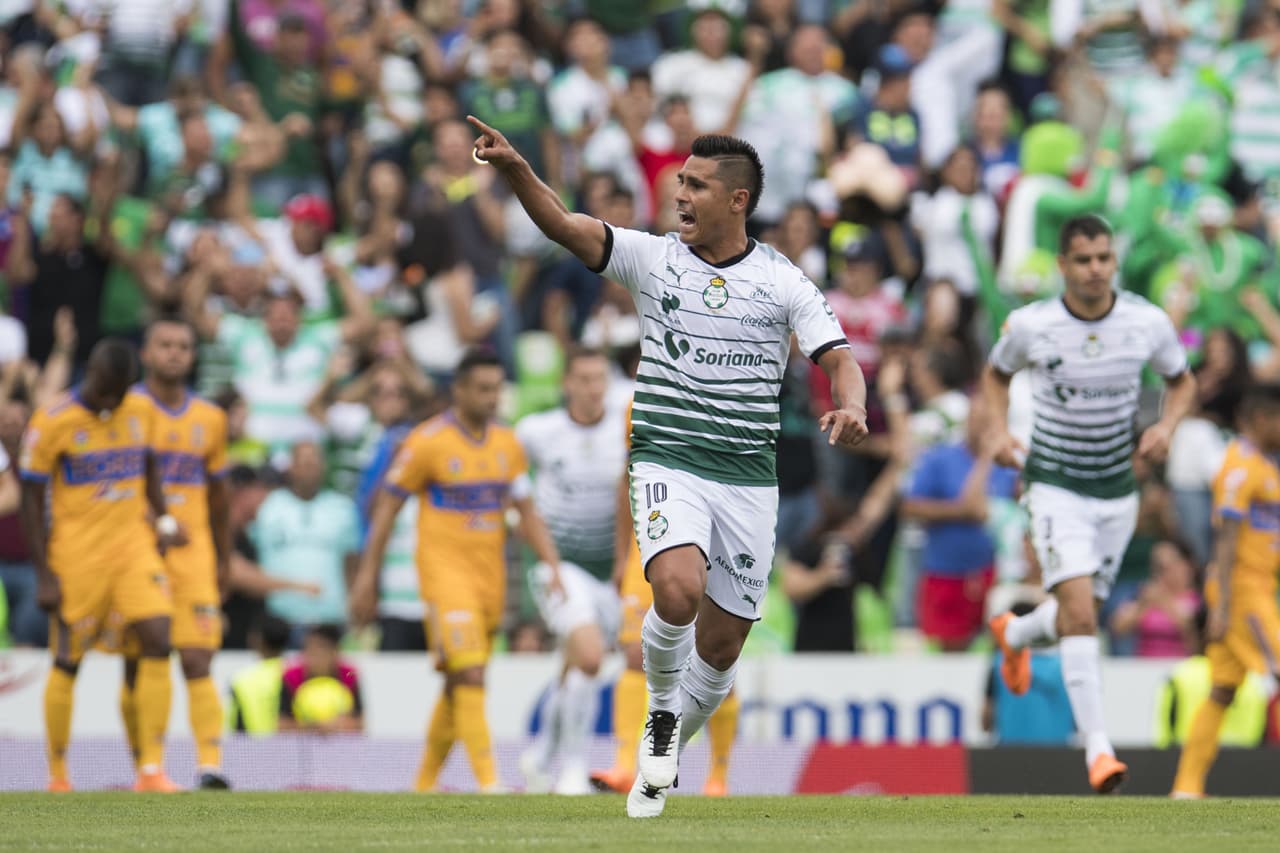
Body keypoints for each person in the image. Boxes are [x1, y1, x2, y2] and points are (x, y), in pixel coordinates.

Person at [467, 117, 869, 817]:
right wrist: (516, 170)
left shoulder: (782, 281)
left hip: (747, 477)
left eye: (696, 185)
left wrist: (853, 404)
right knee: (677, 591)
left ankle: (665, 751)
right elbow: (563, 224)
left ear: (737, 200)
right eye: (680, 181)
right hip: (668, 457)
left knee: (722, 647)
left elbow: (838, 357)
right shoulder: (652, 258)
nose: (679, 194)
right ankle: (659, 711)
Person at [986, 214, 1196, 793]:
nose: (1095, 269)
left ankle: (1016, 635)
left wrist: (1167, 426)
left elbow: (1182, 381)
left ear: (1114, 261)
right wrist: (999, 433)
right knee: (1080, 615)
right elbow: (996, 375)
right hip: (1054, 482)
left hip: (1117, 490)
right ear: (1063, 265)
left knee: (1079, 615)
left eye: (1104, 258)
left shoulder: (1146, 322)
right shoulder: (1033, 325)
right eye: (1083, 260)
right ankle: (1099, 751)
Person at [352, 348, 563, 794]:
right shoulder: (427, 441)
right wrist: (368, 577)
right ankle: (490, 782)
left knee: (457, 682)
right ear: (460, 390)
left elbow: (526, 510)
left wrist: (553, 565)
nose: (492, 397)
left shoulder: (507, 444)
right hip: (444, 577)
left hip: (490, 580)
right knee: (470, 674)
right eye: (483, 389)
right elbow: (387, 508)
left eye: (497, 389)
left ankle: (423, 785)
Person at [18, 339, 182, 792]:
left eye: (121, 392)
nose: (114, 400)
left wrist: (164, 519)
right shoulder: (52, 420)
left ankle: (151, 770)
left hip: (134, 550)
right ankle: (58, 775)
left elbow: (149, 466)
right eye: (108, 390)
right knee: (69, 659)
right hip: (78, 558)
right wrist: (44, 574)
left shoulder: (139, 409)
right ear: (90, 372)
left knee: (158, 638)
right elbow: (30, 500)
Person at [593, 403, 741, 798]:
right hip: (653, 539)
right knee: (633, 653)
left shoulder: (731, 392)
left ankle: (718, 777)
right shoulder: (641, 401)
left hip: (716, 540)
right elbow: (628, 480)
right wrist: (623, 554)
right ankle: (624, 765)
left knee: (717, 654)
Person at [119, 318, 233, 790]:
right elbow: (117, 481)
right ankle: (149, 766)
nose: (174, 352)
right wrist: (156, 521)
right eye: (164, 344)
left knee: (198, 658)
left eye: (183, 346)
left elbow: (220, 495)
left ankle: (210, 765)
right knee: (143, 657)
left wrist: (224, 557)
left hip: (195, 553)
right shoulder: (126, 411)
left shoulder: (210, 418)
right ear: (146, 353)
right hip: (136, 550)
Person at [514, 347, 626, 795]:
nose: (593, 388)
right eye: (583, 379)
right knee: (591, 657)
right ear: (566, 383)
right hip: (559, 566)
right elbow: (510, 485)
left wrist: (626, 563)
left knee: (577, 665)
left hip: (612, 570)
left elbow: (629, 494)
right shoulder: (536, 432)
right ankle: (574, 770)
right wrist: (538, 550)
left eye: (599, 379)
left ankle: (541, 754)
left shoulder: (624, 428)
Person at [1171, 383, 1280, 798]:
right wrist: (1221, 606)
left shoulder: (1264, 465)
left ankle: (1186, 787)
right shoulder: (1239, 465)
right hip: (1242, 592)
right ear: (1262, 418)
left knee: (1222, 690)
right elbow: (1227, 536)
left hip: (1255, 588)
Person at [251, 441, 361, 640]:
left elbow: (352, 563)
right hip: (279, 620)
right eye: (303, 463)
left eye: (314, 463)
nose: (309, 469)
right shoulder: (268, 505)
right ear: (291, 467)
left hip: (329, 620)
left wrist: (354, 608)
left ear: (324, 467)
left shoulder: (342, 508)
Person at [278, 623, 364, 733]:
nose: (315, 656)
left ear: (335, 651)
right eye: (309, 649)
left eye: (321, 649)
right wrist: (314, 726)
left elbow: (360, 723)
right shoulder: (292, 677)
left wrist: (337, 724)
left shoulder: (348, 675)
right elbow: (282, 725)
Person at [228, 616, 292, 735]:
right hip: (292, 744)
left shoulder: (242, 679)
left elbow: (235, 724)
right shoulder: (294, 673)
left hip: (250, 745)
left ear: (257, 639)